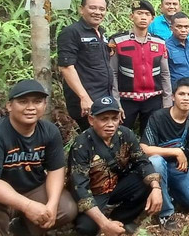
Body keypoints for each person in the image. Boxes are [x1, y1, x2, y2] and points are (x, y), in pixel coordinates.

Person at [0, 79, 77, 236]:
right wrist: (27, 206)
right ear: (9, 106)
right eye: (23, 102)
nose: (31, 108)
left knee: (66, 208)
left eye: (37, 102)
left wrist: (52, 205)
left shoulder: (49, 131)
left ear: (44, 105)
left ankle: (22, 230)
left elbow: (56, 170)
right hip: (0, 194)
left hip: (33, 187)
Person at [68, 96, 163, 236]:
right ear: (91, 120)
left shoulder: (125, 134)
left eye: (114, 118)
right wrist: (103, 224)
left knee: (147, 181)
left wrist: (156, 188)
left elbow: (142, 161)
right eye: (104, 119)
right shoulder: (81, 145)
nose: (110, 124)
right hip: (93, 193)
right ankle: (104, 223)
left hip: (117, 185)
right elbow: (80, 187)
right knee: (86, 228)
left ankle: (119, 219)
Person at [140, 77, 189, 230]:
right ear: (173, 96)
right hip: (158, 167)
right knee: (156, 161)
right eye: (181, 94)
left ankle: (170, 191)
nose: (185, 98)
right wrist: (175, 151)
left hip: (180, 169)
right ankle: (166, 214)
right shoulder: (158, 117)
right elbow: (144, 148)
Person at [109, 0, 173, 136]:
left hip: (153, 99)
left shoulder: (160, 43)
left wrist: (167, 103)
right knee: (120, 135)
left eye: (147, 14)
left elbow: (165, 74)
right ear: (131, 16)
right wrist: (116, 102)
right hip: (126, 99)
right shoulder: (118, 41)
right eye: (139, 13)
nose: (143, 17)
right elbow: (112, 73)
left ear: (152, 19)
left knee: (151, 136)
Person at [57, 0, 114, 130]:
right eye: (92, 8)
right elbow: (66, 67)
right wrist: (84, 97)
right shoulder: (71, 32)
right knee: (92, 140)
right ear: (81, 9)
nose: (98, 12)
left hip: (104, 96)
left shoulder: (102, 32)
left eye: (102, 9)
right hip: (87, 99)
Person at [166, 12, 189, 88]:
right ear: (171, 28)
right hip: (177, 90)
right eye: (179, 27)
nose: (183, 30)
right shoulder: (165, 47)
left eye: (186, 27)